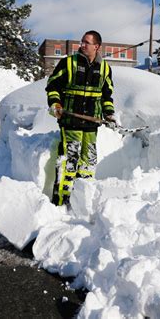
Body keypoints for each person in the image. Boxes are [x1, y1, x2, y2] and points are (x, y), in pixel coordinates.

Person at [45, 30, 115, 206]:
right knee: (70, 160)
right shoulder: (68, 63)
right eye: (82, 41)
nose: (82, 45)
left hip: (92, 122)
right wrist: (55, 103)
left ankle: (81, 201)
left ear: (97, 46)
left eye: (86, 42)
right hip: (71, 121)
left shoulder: (105, 68)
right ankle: (61, 201)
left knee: (88, 161)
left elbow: (107, 94)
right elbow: (52, 85)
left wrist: (109, 113)